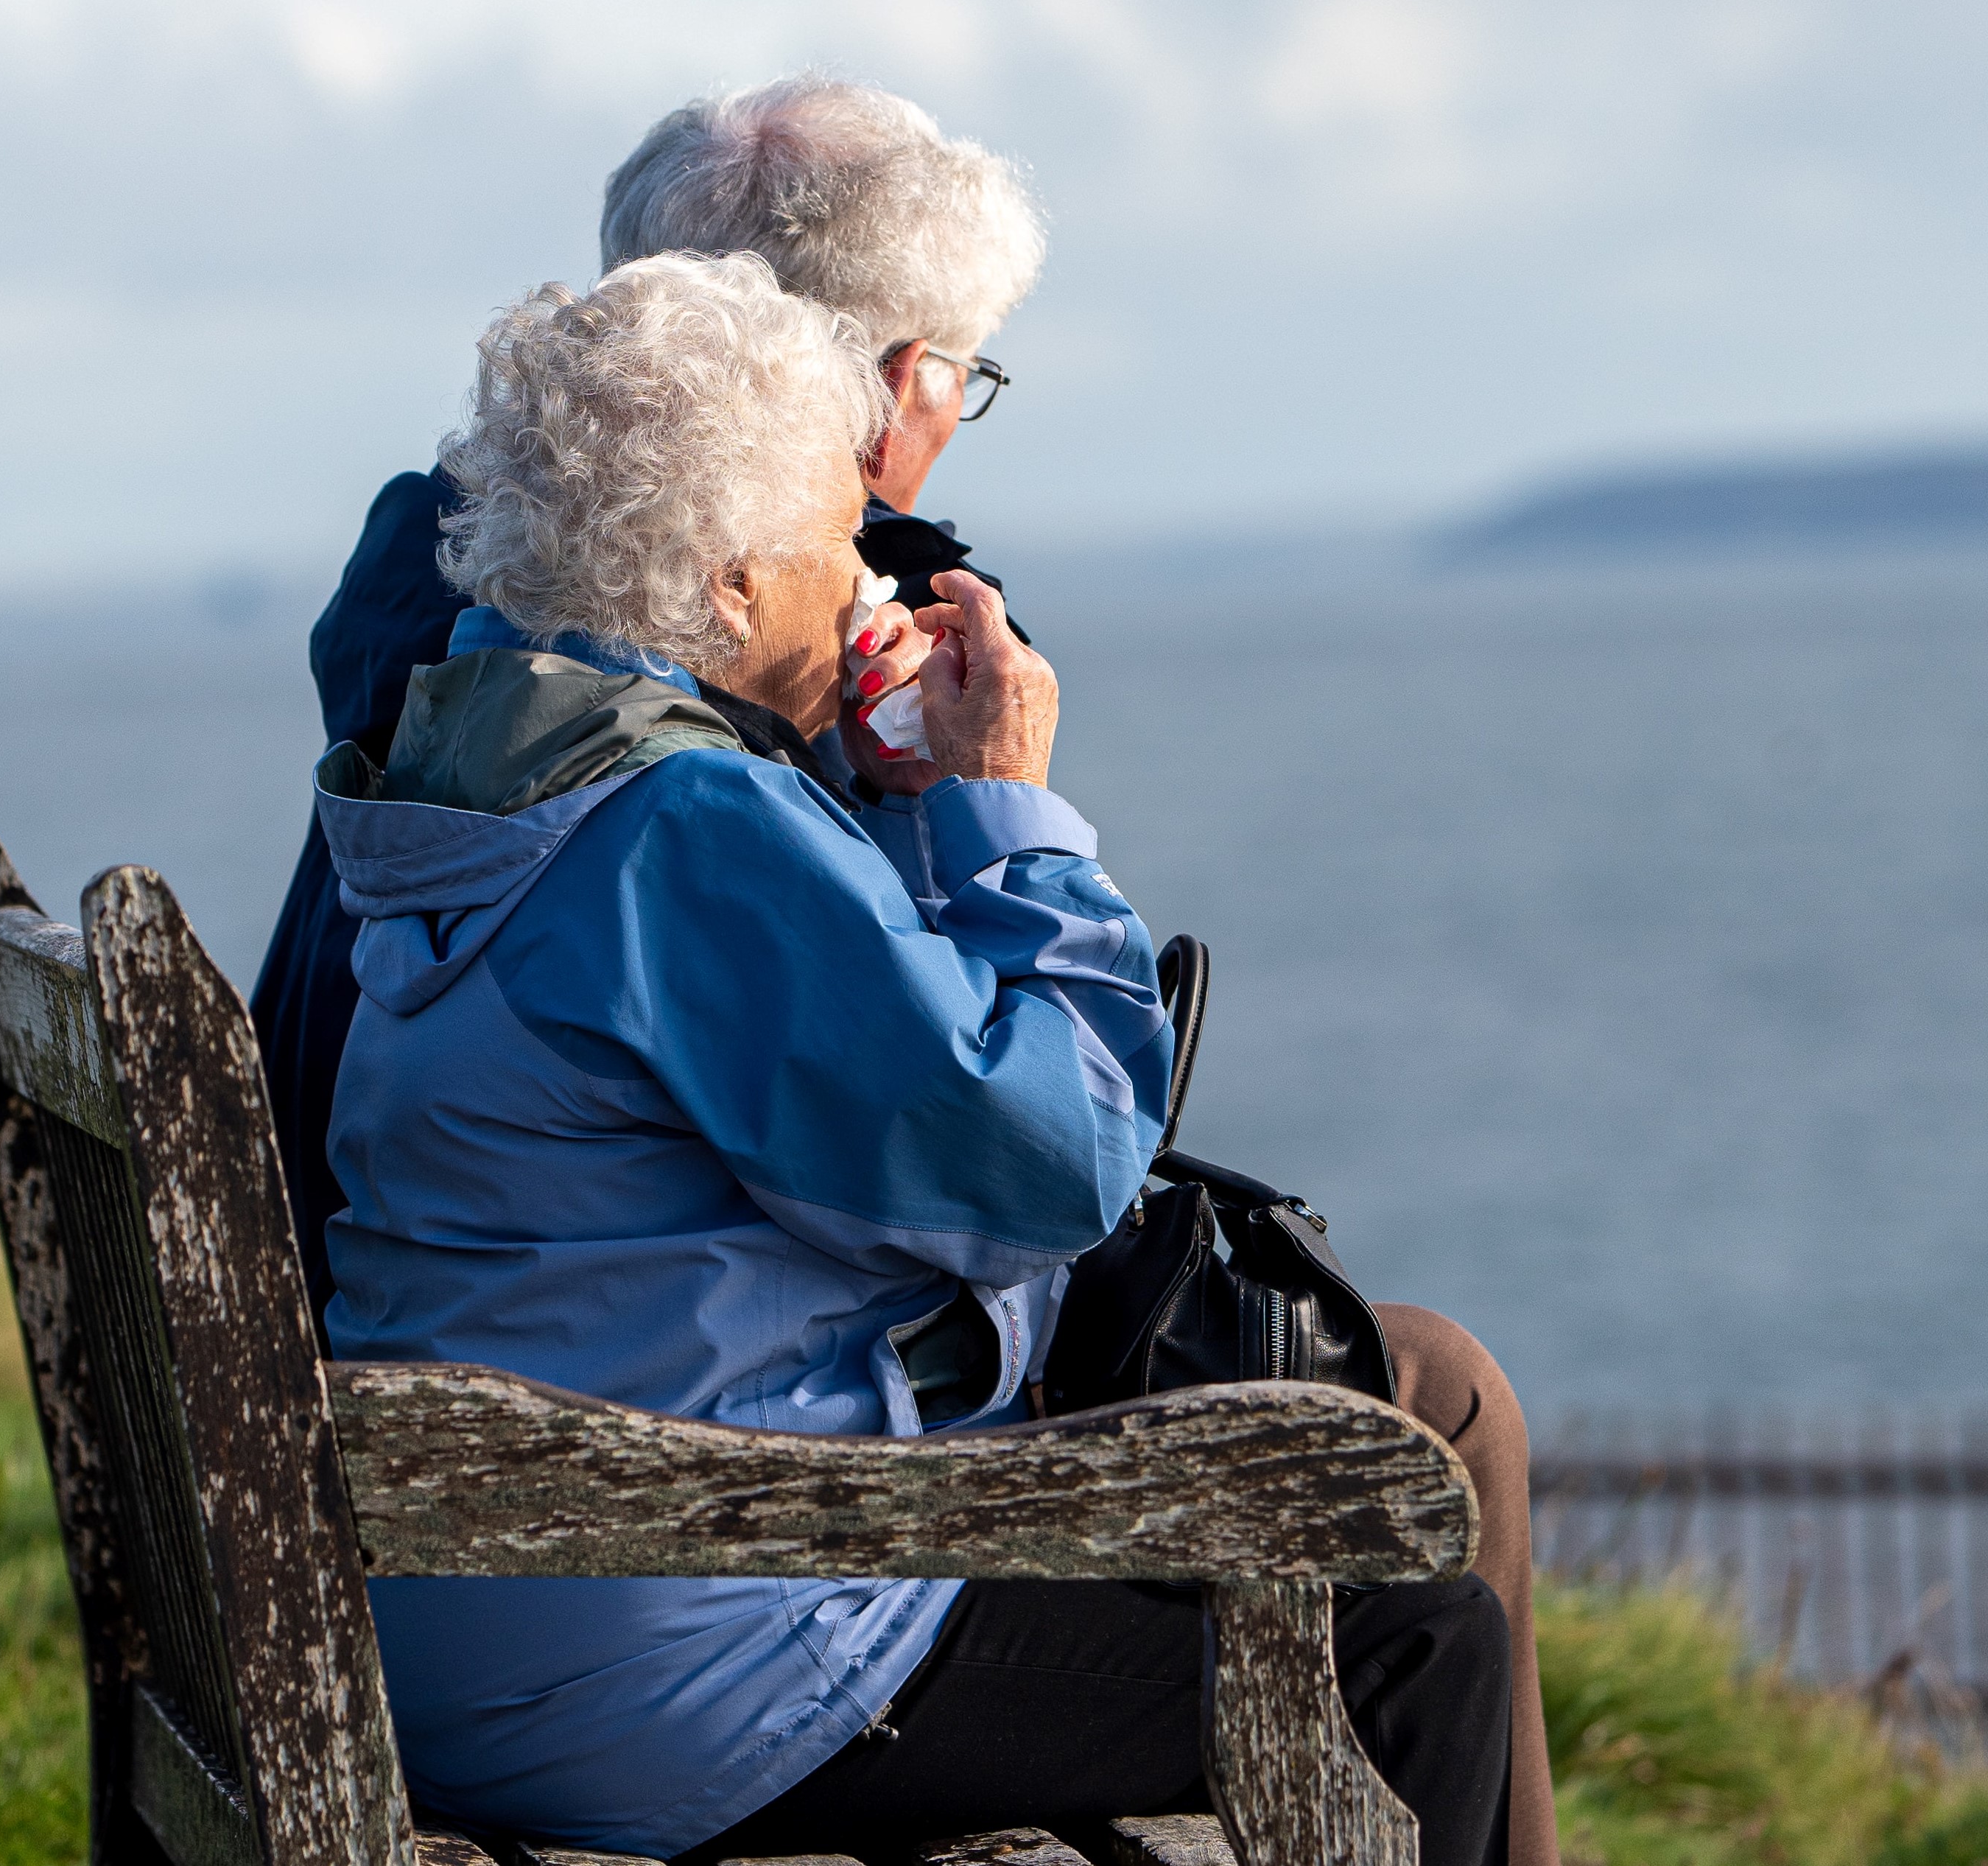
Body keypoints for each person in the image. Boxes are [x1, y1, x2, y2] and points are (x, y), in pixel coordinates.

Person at [315, 252, 1514, 1863]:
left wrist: (870, 806)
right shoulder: (684, 828)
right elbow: (1048, 1170)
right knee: (1409, 1632)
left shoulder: (487, 764)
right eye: (834, 538)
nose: (863, 582)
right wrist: (1003, 803)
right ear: (732, 583)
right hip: (685, 1655)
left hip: (479, 1610)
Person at [253, 75, 1041, 1332]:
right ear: (890, 384)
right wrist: (993, 804)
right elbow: (1002, 1158)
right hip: (611, 1399)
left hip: (339, 1286)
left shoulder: (449, 591)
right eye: (964, 368)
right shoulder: (804, 664)